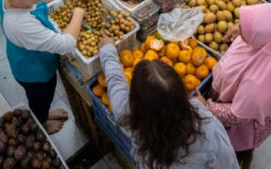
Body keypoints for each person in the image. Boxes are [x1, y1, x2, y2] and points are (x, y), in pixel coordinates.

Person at [98, 35, 239, 168]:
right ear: (182, 92)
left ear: (134, 98)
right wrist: (201, 107)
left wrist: (107, 50)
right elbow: (229, 164)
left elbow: (115, 81)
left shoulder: (128, 115)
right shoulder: (208, 129)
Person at [0, 0, 91, 134]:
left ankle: (44, 114)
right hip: (34, 73)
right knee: (41, 99)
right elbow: (66, 44)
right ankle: (41, 122)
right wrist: (78, 14)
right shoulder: (19, 25)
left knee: (44, 99)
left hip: (28, 56)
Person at [203, 4, 271, 169]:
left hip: (241, 125)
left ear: (260, 36)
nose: (239, 27)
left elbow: (235, 115)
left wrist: (205, 106)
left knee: (232, 152)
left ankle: (239, 162)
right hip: (236, 103)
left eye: (243, 27)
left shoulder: (261, 80)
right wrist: (241, 30)